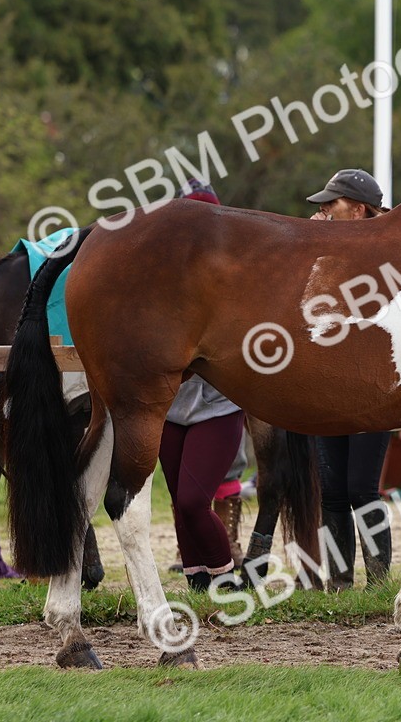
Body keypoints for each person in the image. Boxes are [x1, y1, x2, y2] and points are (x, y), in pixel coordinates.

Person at [306, 169, 393, 590]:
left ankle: (378, 583)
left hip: (374, 385)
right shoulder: (325, 248)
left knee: (362, 486)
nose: (323, 210)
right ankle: (340, 585)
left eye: (332, 204)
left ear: (357, 210)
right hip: (329, 382)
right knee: (333, 489)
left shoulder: (391, 249)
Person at [160, 179, 248, 590]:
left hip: (219, 403)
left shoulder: (235, 275)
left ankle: (227, 581)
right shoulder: (158, 278)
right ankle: (198, 582)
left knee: (195, 500)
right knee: (181, 504)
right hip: (169, 405)